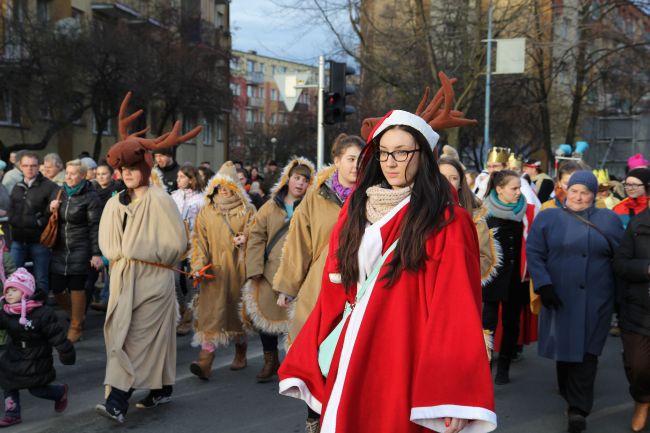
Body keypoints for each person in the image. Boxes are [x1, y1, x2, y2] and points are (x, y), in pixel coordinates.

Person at [278, 107, 496, 433]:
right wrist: (311, 350)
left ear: (423, 155)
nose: (391, 162)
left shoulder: (448, 220)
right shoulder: (354, 210)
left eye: (402, 152)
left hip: (406, 355)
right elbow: (335, 289)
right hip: (353, 352)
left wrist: (451, 391)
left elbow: (457, 309)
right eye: (383, 153)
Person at [95, 93, 195, 423]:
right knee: (125, 334)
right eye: (121, 169)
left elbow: (175, 242)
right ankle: (161, 388)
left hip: (153, 280)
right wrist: (122, 257)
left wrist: (142, 253)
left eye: (131, 168)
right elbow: (108, 244)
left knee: (135, 338)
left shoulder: (159, 200)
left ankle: (117, 401)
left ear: (144, 169)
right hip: (122, 280)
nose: (125, 174)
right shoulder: (113, 203)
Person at [526, 171, 624, 433]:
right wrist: (544, 284)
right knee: (566, 352)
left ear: (594, 195)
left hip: (597, 298)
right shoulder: (548, 217)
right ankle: (570, 395)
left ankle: (578, 411)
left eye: (585, 192)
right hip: (559, 297)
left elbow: (620, 258)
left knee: (587, 353)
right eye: (574, 191)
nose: (579, 197)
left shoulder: (609, 219)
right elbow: (534, 252)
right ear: (565, 191)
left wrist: (620, 298)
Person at [243, 157, 314, 383]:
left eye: (305, 180)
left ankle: (294, 363)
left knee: (296, 319)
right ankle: (270, 360)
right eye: (296, 178)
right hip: (269, 272)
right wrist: (254, 267)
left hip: (300, 273)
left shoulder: (313, 207)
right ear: (288, 179)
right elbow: (256, 236)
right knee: (267, 315)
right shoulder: (270, 206)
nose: (300, 183)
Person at [189, 161, 256, 380]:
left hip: (239, 270)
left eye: (228, 185)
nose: (224, 190)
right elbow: (199, 240)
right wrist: (198, 265)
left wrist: (246, 238)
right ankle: (205, 361)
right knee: (211, 316)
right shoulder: (208, 210)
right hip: (214, 272)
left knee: (237, 314)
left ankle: (241, 351)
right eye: (220, 185)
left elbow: (257, 234)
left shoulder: (247, 209)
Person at [0, 268, 76, 427]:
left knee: (37, 389)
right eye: (7, 290)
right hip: (14, 354)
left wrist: (66, 353)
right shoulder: (7, 312)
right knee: (7, 382)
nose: (9, 294)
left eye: (14, 290)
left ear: (26, 292)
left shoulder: (43, 313)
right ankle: (12, 414)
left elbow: (57, 336)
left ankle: (59, 392)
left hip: (37, 356)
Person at [481, 170, 535, 384]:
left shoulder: (527, 212)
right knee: (488, 322)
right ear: (499, 189)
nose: (518, 192)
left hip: (516, 278)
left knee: (512, 323)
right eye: (514, 188)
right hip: (492, 276)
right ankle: (485, 366)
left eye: (519, 188)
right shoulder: (484, 212)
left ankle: (504, 366)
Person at [48, 160, 102, 343]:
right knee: (56, 287)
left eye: (73, 173)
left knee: (76, 286)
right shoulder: (60, 192)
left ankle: (76, 326)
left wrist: (96, 253)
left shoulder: (91, 197)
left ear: (83, 176)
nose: (68, 176)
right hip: (60, 247)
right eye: (67, 172)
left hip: (81, 247)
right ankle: (77, 315)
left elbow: (95, 227)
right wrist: (51, 208)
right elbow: (53, 220)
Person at [613, 188, 650, 432]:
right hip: (639, 308)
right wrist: (646, 268)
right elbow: (620, 264)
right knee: (637, 365)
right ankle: (642, 400)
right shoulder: (637, 225)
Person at [9, 152, 59, 299]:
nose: (29, 168)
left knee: (41, 278)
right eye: (26, 165)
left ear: (39, 167)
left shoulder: (50, 186)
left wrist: (39, 222)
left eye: (33, 165)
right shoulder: (17, 186)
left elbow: (53, 211)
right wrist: (13, 220)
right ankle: (17, 311)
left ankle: (41, 313)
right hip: (18, 240)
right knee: (14, 277)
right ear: (20, 167)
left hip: (40, 240)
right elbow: (12, 208)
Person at [171, 165, 205, 336]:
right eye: (178, 177)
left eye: (182, 177)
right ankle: (184, 308)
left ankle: (188, 318)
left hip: (195, 244)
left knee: (193, 280)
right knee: (174, 279)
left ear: (191, 179)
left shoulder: (201, 199)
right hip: (176, 242)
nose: (178, 180)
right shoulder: (173, 197)